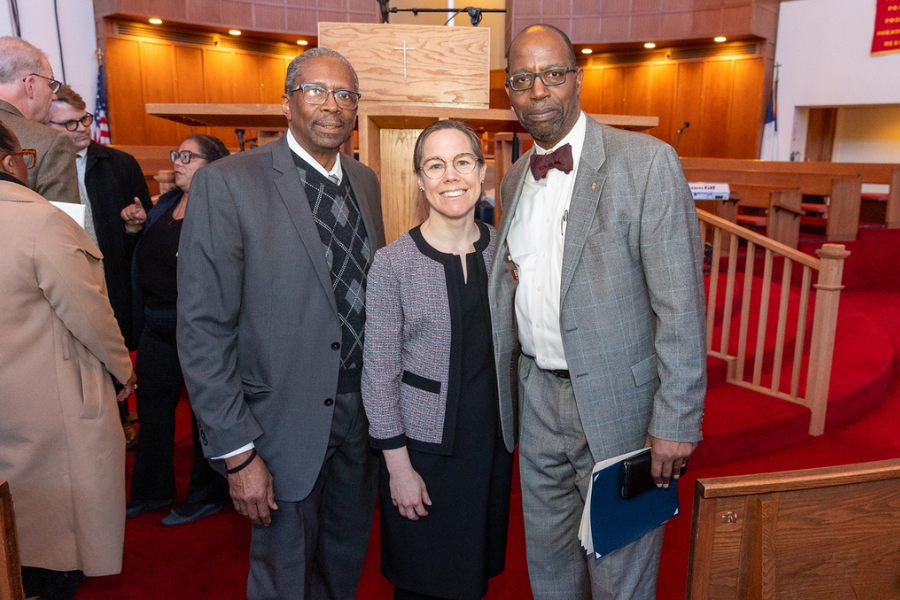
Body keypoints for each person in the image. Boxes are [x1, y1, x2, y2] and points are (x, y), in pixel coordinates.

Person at [488, 24, 707, 600]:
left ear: (577, 79)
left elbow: (680, 305)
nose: (538, 90)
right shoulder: (512, 182)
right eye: (522, 79)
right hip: (538, 401)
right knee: (551, 567)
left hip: (622, 409)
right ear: (509, 91)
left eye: (553, 74)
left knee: (621, 575)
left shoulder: (647, 164)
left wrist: (676, 421)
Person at [176, 47, 383, 600]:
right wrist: (236, 451)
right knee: (284, 580)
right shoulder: (228, 183)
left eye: (345, 95)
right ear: (287, 102)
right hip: (278, 428)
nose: (332, 105)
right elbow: (202, 328)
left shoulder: (366, 182)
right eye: (316, 91)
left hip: (358, 423)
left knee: (343, 568)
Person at [362, 120, 516, 600]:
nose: (451, 176)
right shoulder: (392, 264)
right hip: (423, 455)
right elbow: (379, 376)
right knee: (421, 584)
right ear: (420, 179)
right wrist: (399, 470)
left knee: (473, 582)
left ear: (482, 171)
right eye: (435, 165)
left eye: (462, 162)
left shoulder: (506, 251)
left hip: (490, 451)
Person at [0, 121, 136, 600]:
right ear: (9, 162)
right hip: (47, 413)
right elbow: (89, 312)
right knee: (52, 547)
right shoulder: (40, 221)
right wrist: (124, 369)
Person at [125, 134, 231, 526]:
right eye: (177, 155)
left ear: (212, 164)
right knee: (152, 413)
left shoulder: (219, 208)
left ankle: (206, 493)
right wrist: (135, 230)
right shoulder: (166, 204)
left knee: (207, 414)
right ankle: (151, 490)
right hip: (156, 325)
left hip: (198, 327)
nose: (178, 162)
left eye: (189, 156)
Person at [48, 84, 153, 351]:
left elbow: (148, 234)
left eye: (84, 119)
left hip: (114, 281)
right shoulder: (40, 168)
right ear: (47, 126)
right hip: (65, 280)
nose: (82, 127)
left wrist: (134, 225)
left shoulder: (122, 164)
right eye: (69, 123)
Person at [0, 36, 80, 204]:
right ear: (30, 85)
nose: (54, 94)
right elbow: (62, 226)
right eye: (50, 84)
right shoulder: (52, 142)